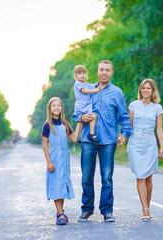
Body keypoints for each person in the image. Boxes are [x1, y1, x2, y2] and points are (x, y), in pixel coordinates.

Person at [73, 60, 132, 222]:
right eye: (101, 70)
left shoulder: (117, 93)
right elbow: (77, 109)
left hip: (108, 140)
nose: (104, 72)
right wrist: (80, 117)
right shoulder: (87, 89)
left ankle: (107, 211)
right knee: (86, 177)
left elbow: (124, 117)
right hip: (87, 139)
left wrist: (124, 134)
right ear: (97, 72)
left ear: (111, 73)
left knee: (106, 177)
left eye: (107, 70)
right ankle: (86, 209)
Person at [127, 78, 163, 221]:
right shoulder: (133, 106)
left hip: (150, 143)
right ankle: (145, 209)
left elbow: (159, 129)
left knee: (149, 177)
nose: (145, 90)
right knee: (140, 176)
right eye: (143, 88)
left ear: (153, 90)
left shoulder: (157, 108)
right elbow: (128, 126)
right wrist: (122, 137)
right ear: (140, 90)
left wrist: (162, 147)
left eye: (148, 88)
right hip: (135, 143)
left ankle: (147, 206)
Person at [42, 97, 77, 225]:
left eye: (58, 105)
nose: (56, 107)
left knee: (62, 183)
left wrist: (80, 122)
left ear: (61, 108)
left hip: (65, 157)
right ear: (50, 109)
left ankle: (60, 212)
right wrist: (49, 162)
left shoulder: (66, 124)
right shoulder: (48, 125)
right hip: (55, 157)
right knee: (56, 183)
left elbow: (74, 139)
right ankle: (60, 213)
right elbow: (45, 144)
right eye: (53, 106)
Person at [73, 65, 102, 143]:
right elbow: (84, 91)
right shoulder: (78, 83)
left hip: (85, 105)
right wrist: (95, 90)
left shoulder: (85, 84)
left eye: (84, 73)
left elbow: (92, 86)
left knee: (81, 122)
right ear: (75, 76)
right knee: (93, 116)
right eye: (79, 73)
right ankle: (91, 134)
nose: (82, 75)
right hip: (82, 106)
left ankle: (79, 137)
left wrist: (98, 83)